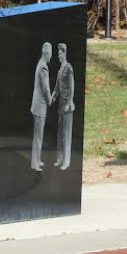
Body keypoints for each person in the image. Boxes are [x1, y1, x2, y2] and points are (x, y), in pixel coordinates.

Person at [51, 42, 75, 170]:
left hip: (67, 105)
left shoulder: (68, 68)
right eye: (58, 54)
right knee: (60, 133)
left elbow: (71, 85)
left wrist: (70, 101)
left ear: (64, 53)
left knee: (66, 134)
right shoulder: (60, 70)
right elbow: (56, 88)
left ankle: (66, 161)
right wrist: (52, 98)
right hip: (60, 105)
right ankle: (59, 159)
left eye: (60, 53)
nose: (59, 56)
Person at [30, 42, 53, 170]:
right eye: (51, 54)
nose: (51, 57)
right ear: (47, 53)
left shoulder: (40, 64)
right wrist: (49, 100)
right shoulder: (43, 67)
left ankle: (37, 160)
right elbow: (45, 88)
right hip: (39, 107)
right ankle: (35, 163)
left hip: (37, 105)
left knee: (38, 135)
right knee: (38, 136)